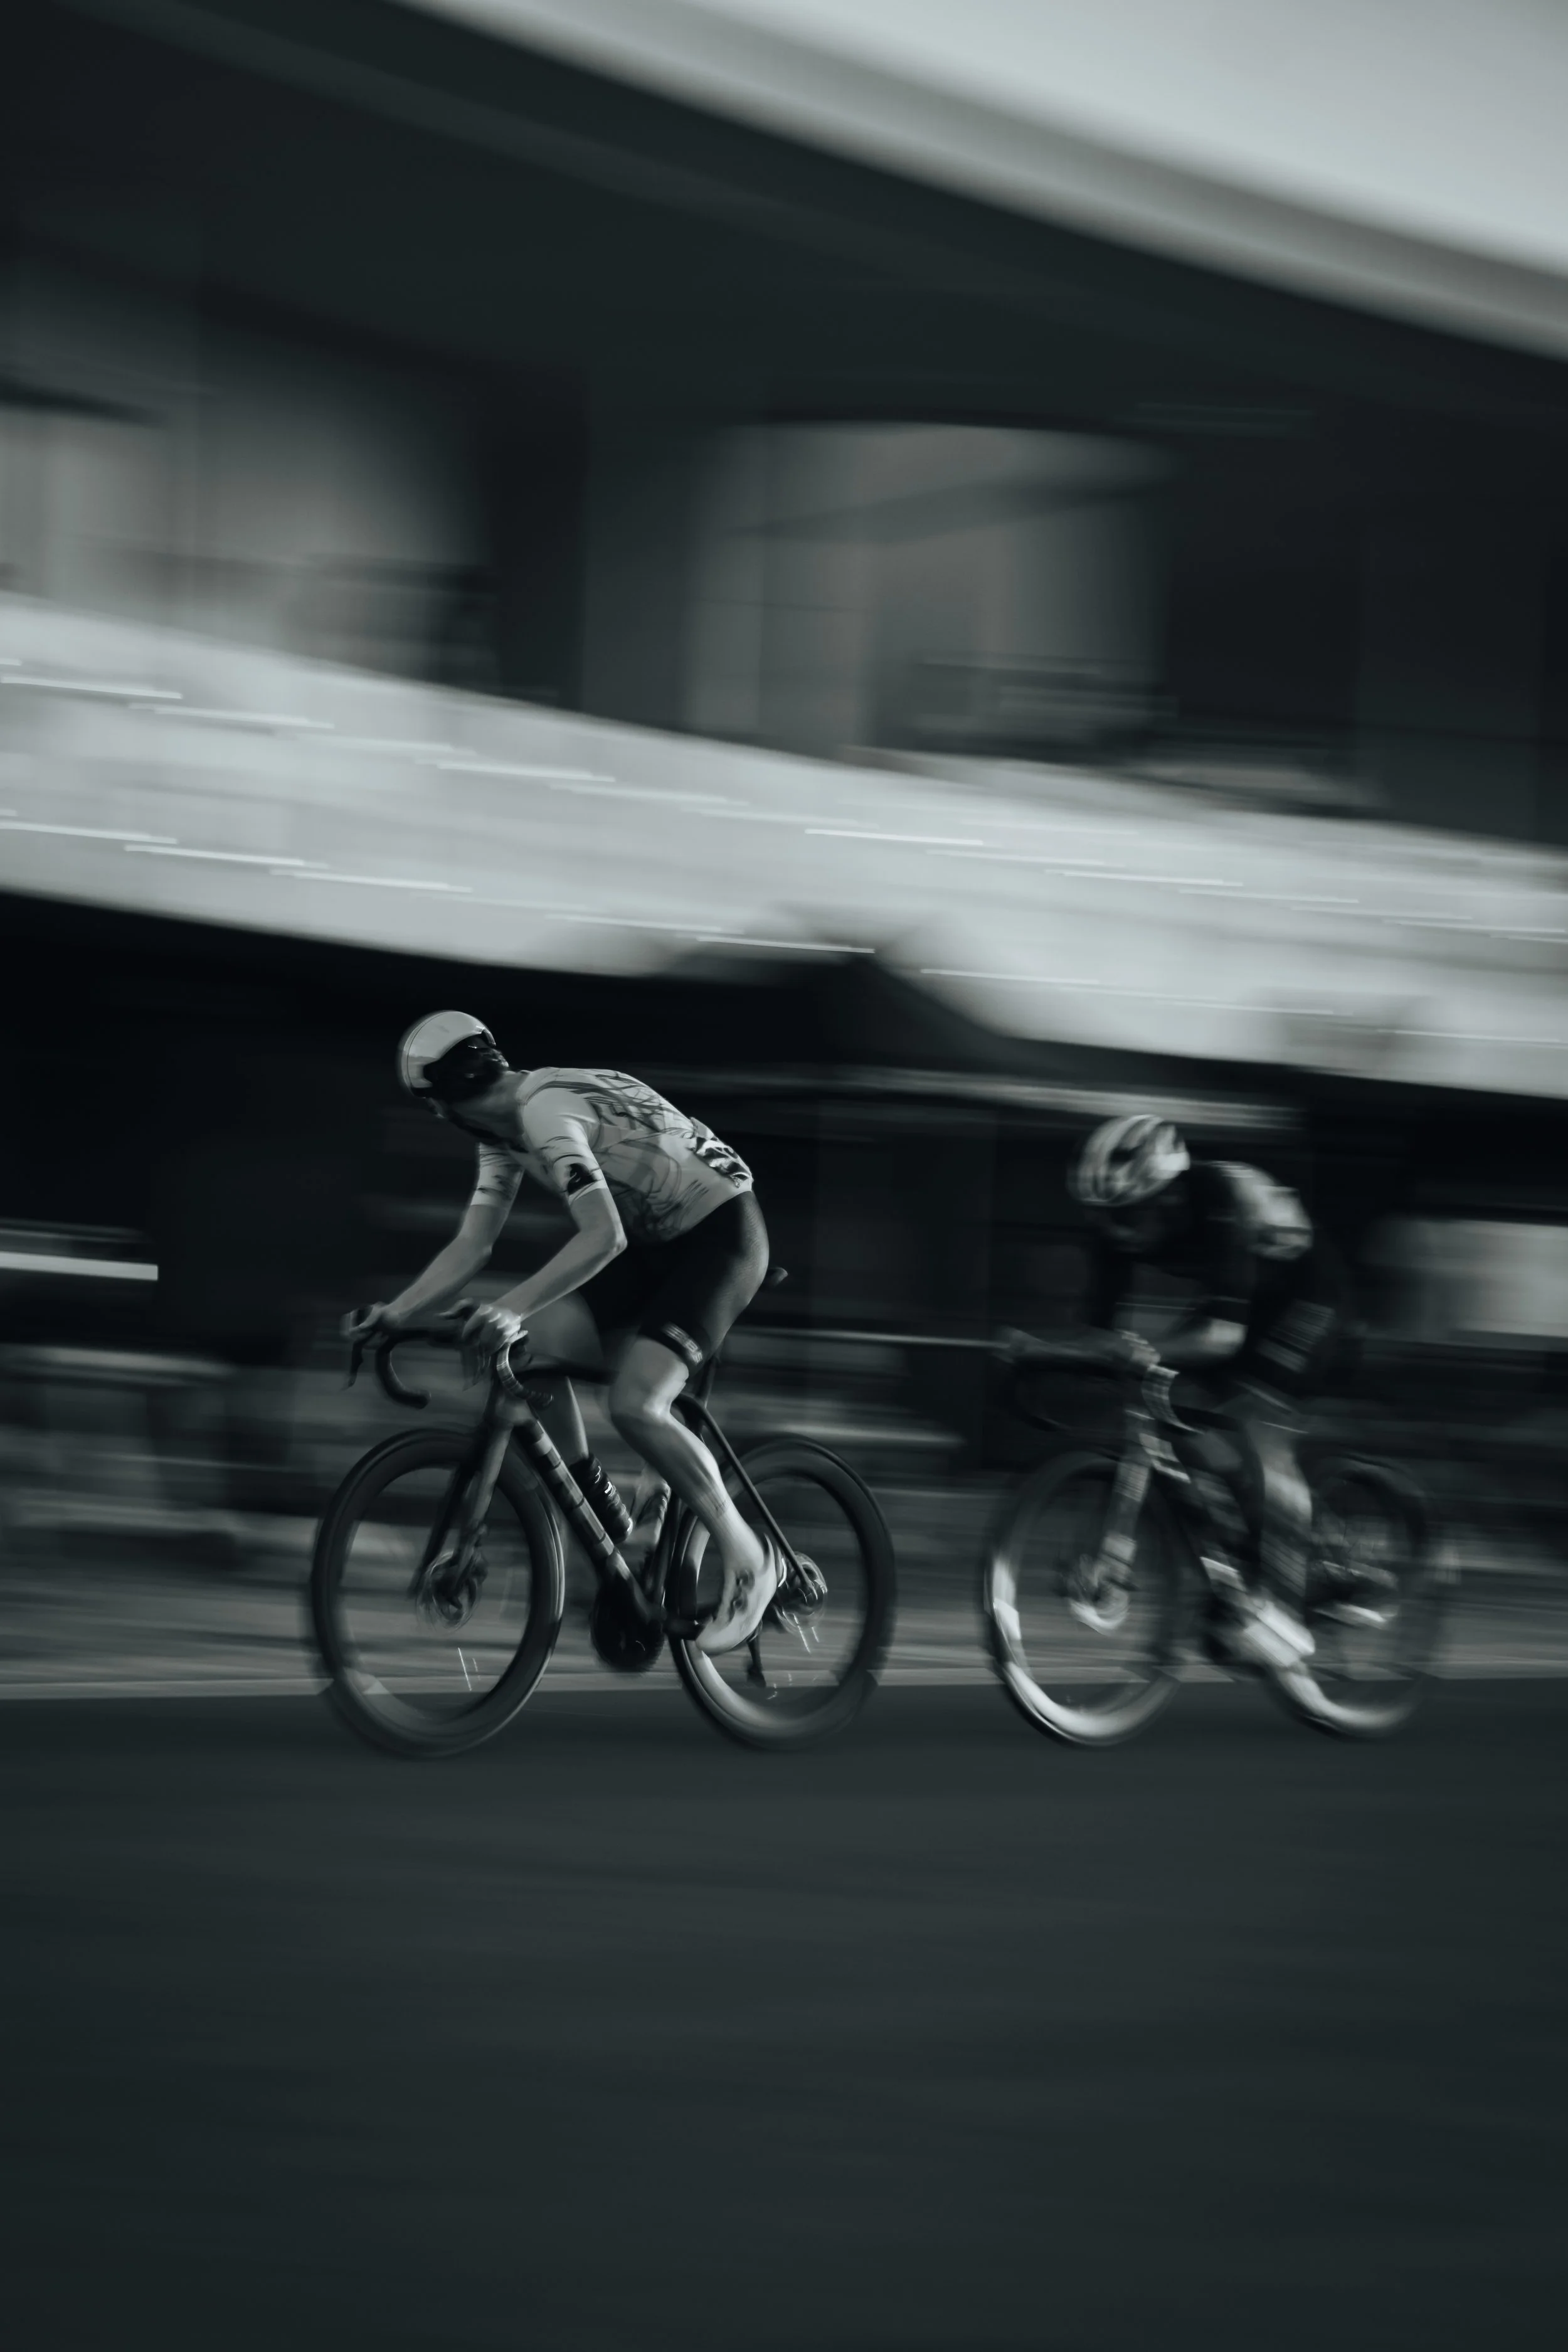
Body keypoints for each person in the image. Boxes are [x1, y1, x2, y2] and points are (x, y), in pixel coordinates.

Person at [348, 1010, 778, 1654]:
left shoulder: (545, 1114)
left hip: (719, 1237)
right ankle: (600, 1506)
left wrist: (510, 1308)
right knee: (527, 1351)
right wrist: (398, 1313)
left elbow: (603, 1235)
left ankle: (751, 1557)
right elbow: (473, 1245)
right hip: (655, 1241)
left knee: (634, 1403)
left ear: (439, 1105)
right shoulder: (502, 1132)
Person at [1063, 1111, 1355, 1673]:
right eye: (1104, 1217)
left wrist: (1142, 1352)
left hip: (1310, 1295)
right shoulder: (1115, 1225)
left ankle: (1286, 1606)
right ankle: (1245, 1533)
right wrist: (1053, 1355)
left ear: (1169, 1194)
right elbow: (1099, 1331)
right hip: (1247, 1297)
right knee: (1175, 1404)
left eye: (1129, 1214)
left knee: (1255, 1422)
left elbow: (1222, 1335)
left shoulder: (1222, 1196)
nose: (1119, 1232)